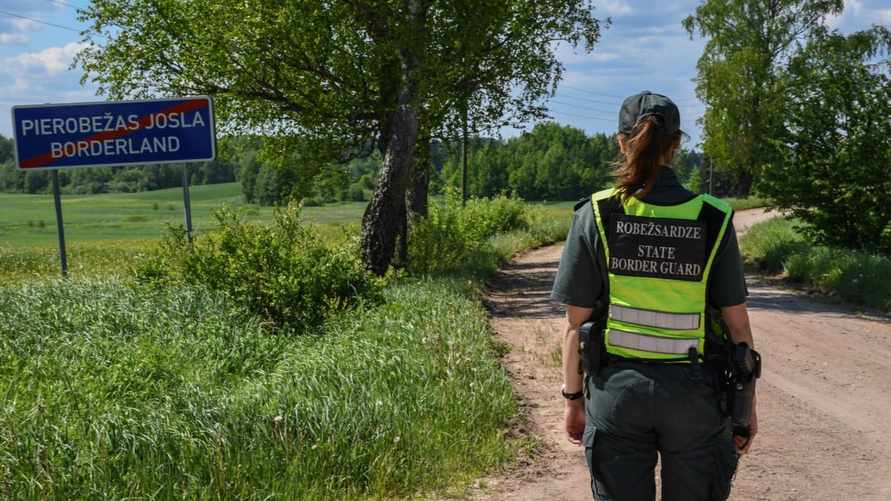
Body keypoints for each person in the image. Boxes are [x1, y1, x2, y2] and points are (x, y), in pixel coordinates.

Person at [550, 91, 758, 501]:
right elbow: (739, 330)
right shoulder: (712, 216)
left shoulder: (596, 214)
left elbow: (576, 325)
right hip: (696, 400)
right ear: (678, 144)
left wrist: (573, 400)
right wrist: (745, 408)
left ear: (621, 141)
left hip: (617, 397)